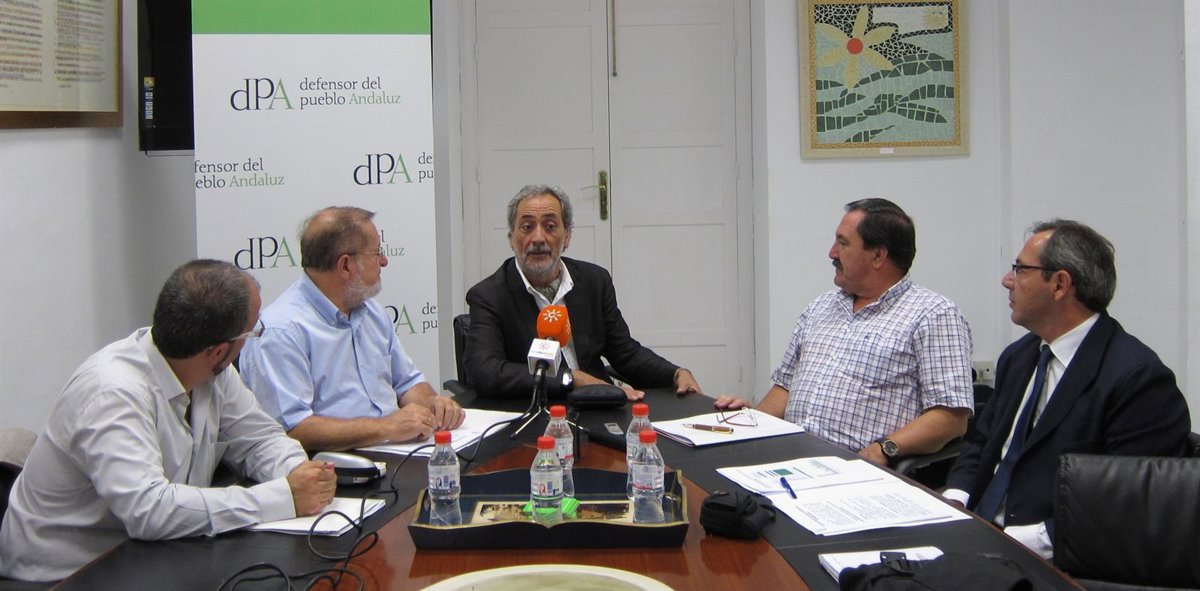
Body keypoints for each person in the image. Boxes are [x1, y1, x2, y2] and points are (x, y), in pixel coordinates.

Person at [0, 260, 336, 582]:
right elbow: (148, 511)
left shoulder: (210, 370)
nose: (254, 338)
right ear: (219, 351)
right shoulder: (112, 392)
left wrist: (300, 474)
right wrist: (282, 497)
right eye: (253, 332)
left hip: (151, 553)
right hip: (65, 574)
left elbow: (259, 438)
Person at [943, 219, 1190, 559]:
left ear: (1060, 284)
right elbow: (983, 442)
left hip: (1050, 556)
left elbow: (1128, 503)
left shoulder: (1138, 380)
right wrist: (955, 499)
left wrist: (1020, 541)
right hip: (976, 532)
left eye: (1020, 269)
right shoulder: (1020, 356)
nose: (1007, 281)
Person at [715, 198, 974, 466]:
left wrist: (882, 450)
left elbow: (951, 418)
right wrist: (750, 422)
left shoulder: (933, 315)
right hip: (789, 459)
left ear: (878, 256)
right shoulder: (821, 307)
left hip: (855, 469)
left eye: (843, 243)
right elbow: (785, 388)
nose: (832, 253)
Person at [240, 206, 464, 452]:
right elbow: (292, 428)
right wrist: (385, 427)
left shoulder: (372, 312)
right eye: (377, 253)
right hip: (333, 463)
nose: (384, 261)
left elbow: (407, 382)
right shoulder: (281, 330)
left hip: (396, 450)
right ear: (345, 265)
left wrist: (432, 402)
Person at [463, 184, 702, 401]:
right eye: (527, 227)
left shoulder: (594, 281)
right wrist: (570, 378)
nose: (538, 238)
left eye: (550, 227)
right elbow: (484, 372)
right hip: (535, 411)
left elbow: (625, 352)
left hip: (596, 407)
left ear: (567, 237)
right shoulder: (489, 295)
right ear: (511, 239)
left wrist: (674, 373)